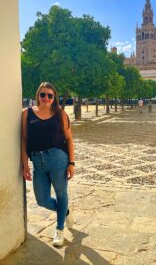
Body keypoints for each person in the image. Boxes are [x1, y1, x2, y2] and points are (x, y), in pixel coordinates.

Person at [21, 82, 75, 247]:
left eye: (50, 95)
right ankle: (64, 211)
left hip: (58, 159)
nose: (46, 98)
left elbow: (69, 139)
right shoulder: (26, 113)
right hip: (38, 161)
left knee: (61, 193)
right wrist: (25, 164)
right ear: (38, 95)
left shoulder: (60, 114)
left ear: (54, 98)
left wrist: (71, 163)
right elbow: (24, 139)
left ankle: (59, 229)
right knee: (42, 200)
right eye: (43, 94)